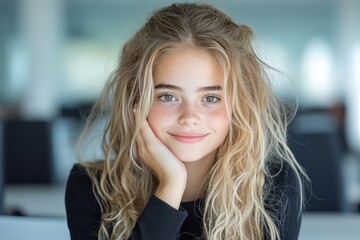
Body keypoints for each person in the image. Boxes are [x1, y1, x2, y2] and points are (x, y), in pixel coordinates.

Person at [65, 3, 307, 240]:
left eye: (211, 98)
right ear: (135, 102)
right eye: (167, 96)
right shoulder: (90, 187)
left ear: (240, 104)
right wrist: (170, 185)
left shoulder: (274, 185)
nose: (190, 116)